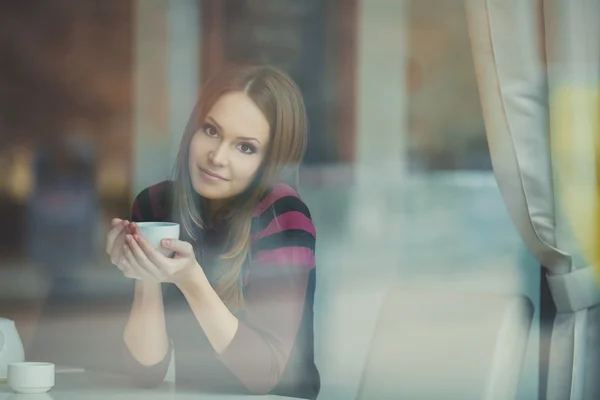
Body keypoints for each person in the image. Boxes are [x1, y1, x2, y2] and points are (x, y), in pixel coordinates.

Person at [105, 65, 320, 399]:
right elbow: (145, 374)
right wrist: (145, 270)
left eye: (245, 147)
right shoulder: (156, 207)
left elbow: (266, 376)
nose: (217, 157)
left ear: (271, 162)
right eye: (211, 130)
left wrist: (191, 280)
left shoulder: (283, 215)